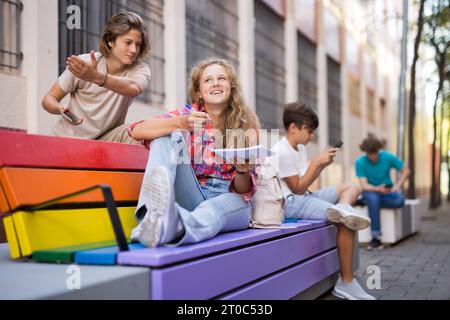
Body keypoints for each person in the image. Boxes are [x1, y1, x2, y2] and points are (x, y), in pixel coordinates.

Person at [127, 58, 259, 248]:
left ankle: (173, 226)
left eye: (222, 78)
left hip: (229, 200)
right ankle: (151, 217)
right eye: (208, 80)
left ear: (232, 87)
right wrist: (180, 123)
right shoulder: (189, 115)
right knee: (166, 135)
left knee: (213, 209)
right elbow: (136, 130)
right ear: (198, 91)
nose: (215, 83)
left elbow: (243, 191)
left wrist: (242, 171)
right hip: (192, 192)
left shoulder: (246, 124)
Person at [266, 102, 375, 300]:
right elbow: (297, 188)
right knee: (346, 220)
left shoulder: (299, 147)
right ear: (293, 128)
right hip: (288, 203)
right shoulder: (280, 151)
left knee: (351, 187)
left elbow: (305, 184)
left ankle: (343, 207)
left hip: (303, 196)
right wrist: (317, 162)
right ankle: (346, 283)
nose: (312, 136)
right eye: (309, 131)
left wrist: (321, 165)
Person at [41, 12, 151, 143]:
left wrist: (98, 78)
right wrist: (59, 109)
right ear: (110, 41)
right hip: (68, 140)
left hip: (105, 140)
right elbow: (49, 99)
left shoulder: (139, 69)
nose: (133, 50)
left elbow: (134, 88)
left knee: (139, 132)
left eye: (138, 44)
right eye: (128, 42)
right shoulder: (85, 65)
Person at [356, 134, 410, 250]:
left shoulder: (387, 157)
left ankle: (367, 203)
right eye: (369, 153)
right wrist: (377, 189)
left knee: (400, 200)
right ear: (365, 151)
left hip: (387, 192)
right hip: (371, 192)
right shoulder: (360, 162)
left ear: (378, 150)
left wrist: (397, 186)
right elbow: (364, 186)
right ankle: (376, 238)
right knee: (373, 199)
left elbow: (406, 171)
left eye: (374, 152)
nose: (372, 156)